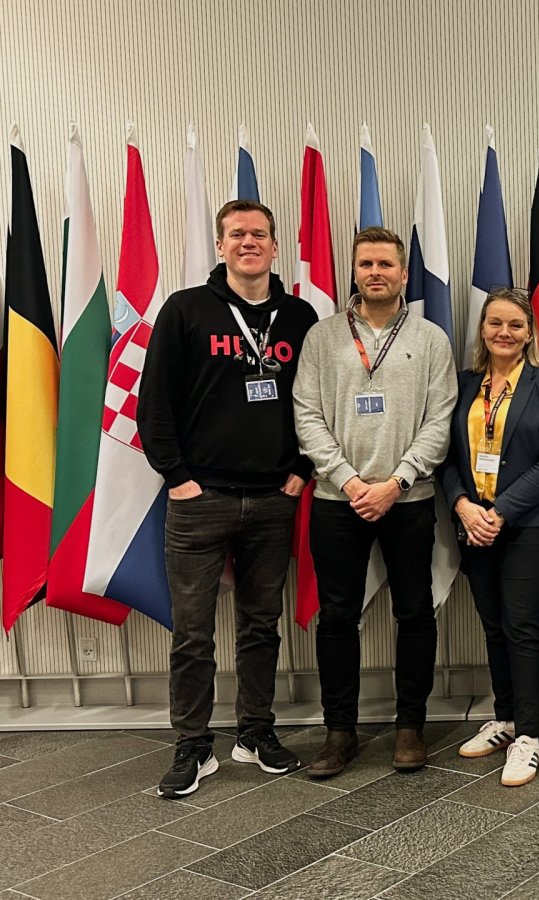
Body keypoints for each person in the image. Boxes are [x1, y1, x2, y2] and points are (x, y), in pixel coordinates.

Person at [138, 200, 317, 798]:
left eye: (259, 234)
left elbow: (317, 402)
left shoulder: (299, 316)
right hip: (200, 499)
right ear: (220, 245)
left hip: (273, 498)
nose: (249, 242)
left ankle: (255, 731)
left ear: (275, 246)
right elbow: (154, 404)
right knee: (193, 633)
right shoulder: (186, 309)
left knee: (261, 626)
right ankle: (193, 743)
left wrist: (300, 472)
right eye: (237, 234)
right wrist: (177, 477)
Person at [292, 227, 456, 777]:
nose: (376, 273)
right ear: (354, 272)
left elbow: (440, 420)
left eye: (386, 264)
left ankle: (411, 726)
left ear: (404, 274)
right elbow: (306, 415)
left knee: (415, 612)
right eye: (366, 264)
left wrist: (396, 482)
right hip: (338, 500)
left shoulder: (431, 338)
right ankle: (340, 731)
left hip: (408, 500)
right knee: (338, 616)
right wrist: (349, 482)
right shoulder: (322, 337)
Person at [441, 288, 539, 787]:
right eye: (495, 323)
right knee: (494, 626)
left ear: (530, 333)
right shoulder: (464, 384)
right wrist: (463, 505)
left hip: (530, 525)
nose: (504, 332)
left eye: (515, 324)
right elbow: (447, 458)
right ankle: (506, 718)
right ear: (482, 329)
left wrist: (499, 513)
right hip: (473, 522)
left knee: (522, 626)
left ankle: (530, 736)